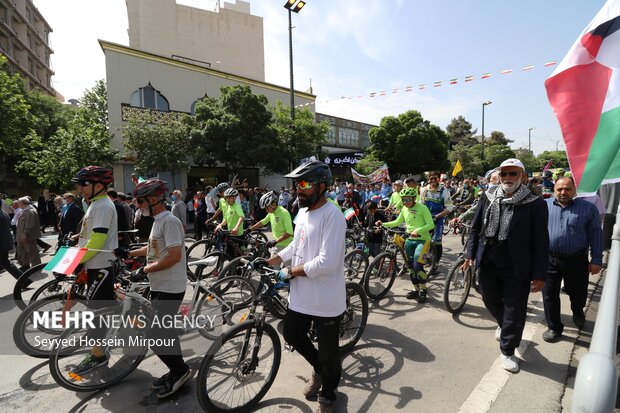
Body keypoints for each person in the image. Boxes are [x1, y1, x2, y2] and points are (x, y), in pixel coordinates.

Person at [260, 160, 346, 413]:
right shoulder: (303, 212)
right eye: (297, 184)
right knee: (293, 334)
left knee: (330, 354)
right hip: (301, 296)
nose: (299, 189)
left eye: (305, 184)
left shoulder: (333, 216)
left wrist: (289, 272)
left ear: (322, 186)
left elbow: (326, 263)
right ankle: (318, 369)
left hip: (326, 300)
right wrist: (272, 260)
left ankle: (329, 393)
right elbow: (296, 245)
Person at [462, 158, 549, 373]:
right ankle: (507, 324)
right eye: (504, 174)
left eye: (513, 174)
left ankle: (508, 350)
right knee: (488, 297)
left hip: (517, 265)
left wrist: (540, 274)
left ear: (523, 177)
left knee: (514, 308)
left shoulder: (535, 203)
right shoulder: (488, 196)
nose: (508, 178)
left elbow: (541, 241)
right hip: (489, 259)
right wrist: (469, 253)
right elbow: (475, 228)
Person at [117, 178, 192, 398]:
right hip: (160, 285)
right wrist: (129, 253)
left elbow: (175, 256)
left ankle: (180, 371)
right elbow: (153, 249)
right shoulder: (158, 221)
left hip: (171, 286)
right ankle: (177, 369)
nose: (138, 206)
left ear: (152, 199)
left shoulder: (169, 221)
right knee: (162, 331)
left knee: (155, 333)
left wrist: (145, 269)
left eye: (140, 201)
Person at [70, 166, 119, 375]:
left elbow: (98, 239)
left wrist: (78, 260)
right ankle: (134, 321)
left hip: (100, 265)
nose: (79, 188)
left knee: (96, 313)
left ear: (98, 186)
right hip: (95, 264)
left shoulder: (102, 206)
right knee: (105, 307)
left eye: (83, 184)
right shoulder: (96, 203)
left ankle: (97, 355)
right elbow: (90, 235)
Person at [542, 176, 603, 342]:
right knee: (549, 295)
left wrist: (596, 259)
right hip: (549, 260)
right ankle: (554, 327)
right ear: (554, 190)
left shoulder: (588, 208)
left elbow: (596, 235)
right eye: (559, 189)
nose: (563, 192)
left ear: (575, 191)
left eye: (567, 189)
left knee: (578, 293)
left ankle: (577, 311)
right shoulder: (543, 206)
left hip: (576, 260)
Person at [376, 186, 435, 302]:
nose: (405, 202)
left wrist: (417, 231)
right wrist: (383, 223)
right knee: (411, 268)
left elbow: (431, 225)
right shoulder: (404, 208)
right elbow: (397, 222)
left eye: (408, 199)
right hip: (409, 240)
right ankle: (416, 289)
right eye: (403, 199)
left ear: (413, 198)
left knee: (418, 266)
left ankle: (423, 290)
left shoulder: (422, 208)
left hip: (422, 240)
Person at [420, 171, 450, 267]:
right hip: (425, 219)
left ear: (439, 179)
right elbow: (420, 204)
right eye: (431, 178)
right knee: (425, 241)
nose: (433, 180)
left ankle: (435, 263)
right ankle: (425, 259)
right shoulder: (424, 190)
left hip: (438, 218)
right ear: (429, 179)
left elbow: (449, 208)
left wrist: (437, 216)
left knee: (436, 242)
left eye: (435, 178)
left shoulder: (443, 191)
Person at [15, 197, 42, 271]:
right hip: (22, 235)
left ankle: (36, 266)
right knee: (22, 251)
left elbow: (30, 224)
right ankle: (25, 265)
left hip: (28, 236)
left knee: (31, 251)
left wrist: (25, 234)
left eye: (19, 203)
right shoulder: (24, 210)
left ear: (24, 203)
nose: (18, 204)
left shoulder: (30, 211)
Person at [0, 208, 23, 280]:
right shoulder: (3, 212)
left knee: (6, 263)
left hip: (2, 243)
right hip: (4, 242)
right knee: (6, 263)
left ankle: (24, 280)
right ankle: (25, 280)